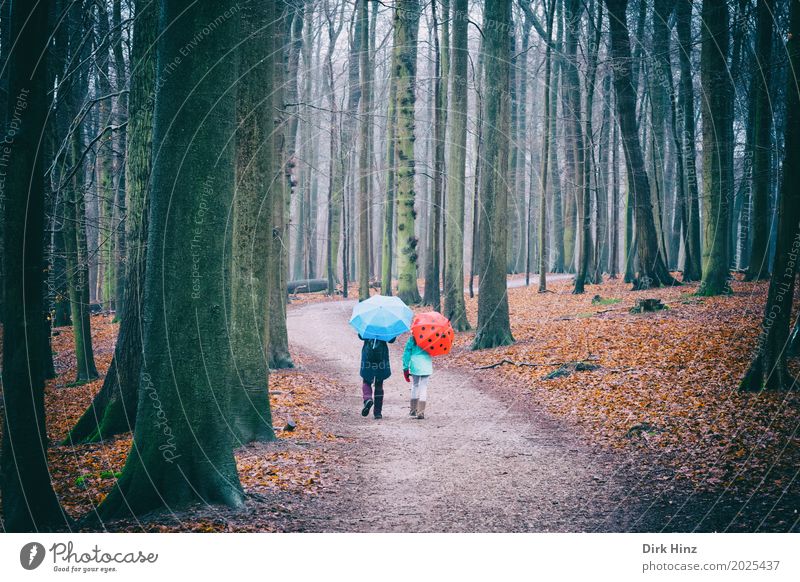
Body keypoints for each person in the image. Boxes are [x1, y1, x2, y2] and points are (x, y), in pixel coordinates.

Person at [359, 334, 394, 419]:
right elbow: (391, 340)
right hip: (381, 357)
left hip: (368, 356)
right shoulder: (385, 325)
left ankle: (368, 399)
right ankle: (377, 412)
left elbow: (361, 336)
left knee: (366, 380)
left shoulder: (368, 324)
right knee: (379, 384)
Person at [402, 335, 433, 419]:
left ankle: (413, 410)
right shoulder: (431, 337)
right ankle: (421, 412)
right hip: (426, 363)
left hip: (415, 363)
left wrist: (405, 367)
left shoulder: (413, 338)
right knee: (424, 387)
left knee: (415, 385)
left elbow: (407, 353)